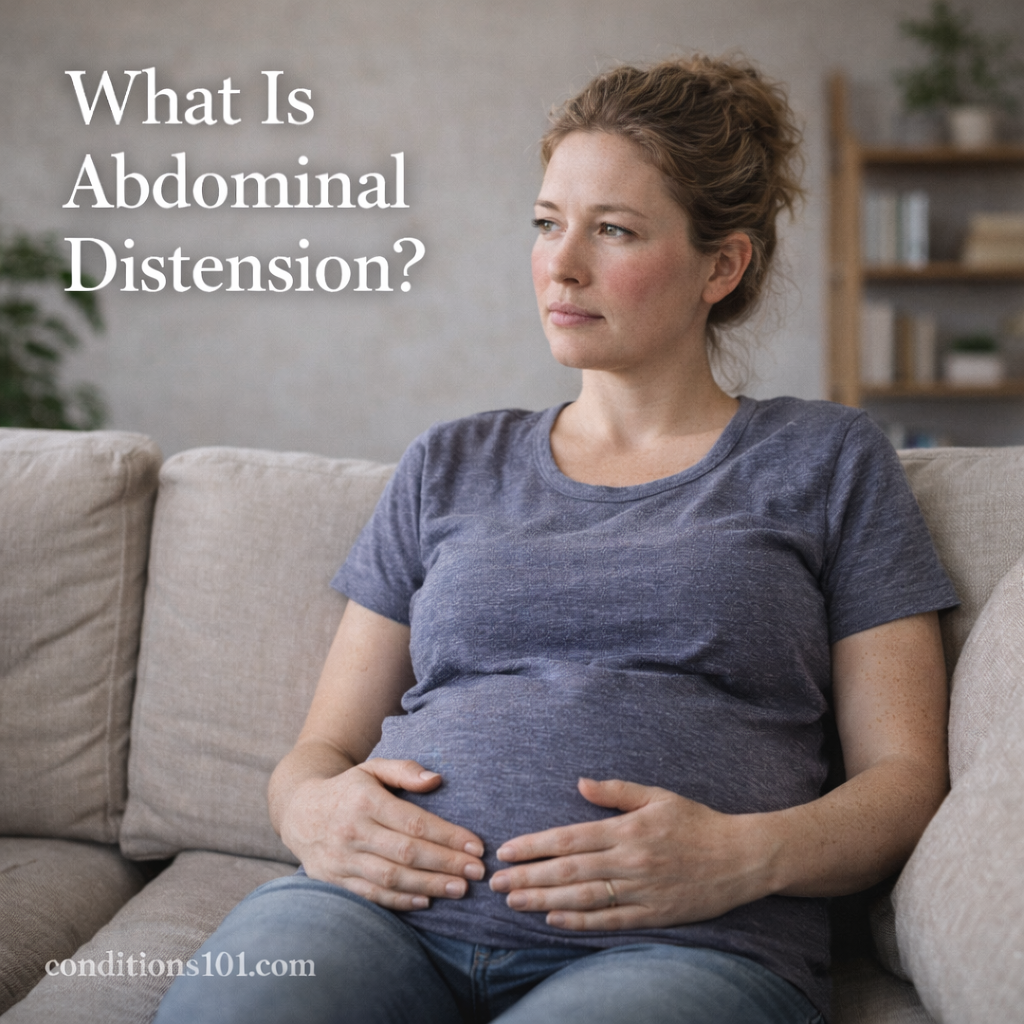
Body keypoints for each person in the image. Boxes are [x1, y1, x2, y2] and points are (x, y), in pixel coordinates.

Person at [155, 55, 957, 1024]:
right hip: (378, 915)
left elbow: (905, 778)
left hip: (685, 946)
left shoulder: (825, 459)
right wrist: (310, 810)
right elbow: (320, 745)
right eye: (546, 223)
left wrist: (747, 854)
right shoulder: (450, 460)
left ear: (722, 263)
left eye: (612, 229)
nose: (560, 263)